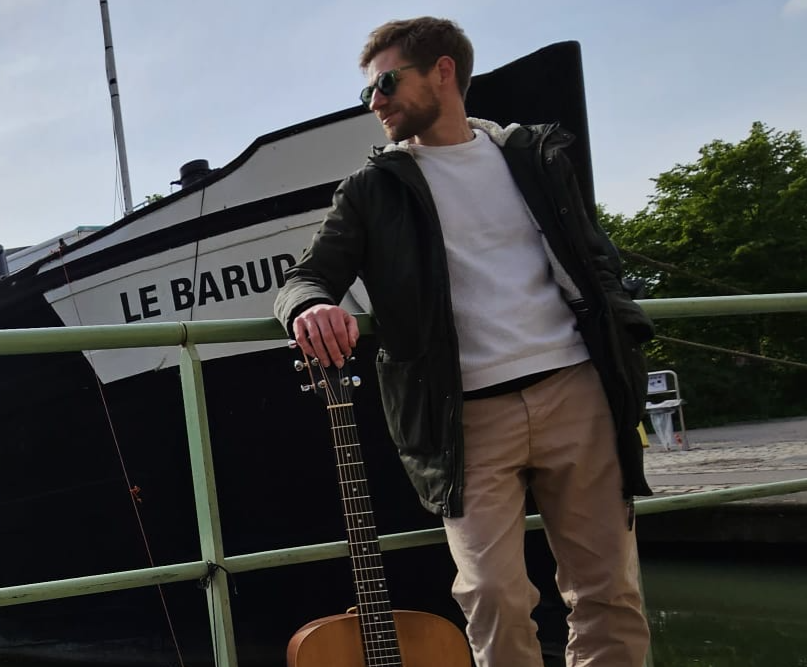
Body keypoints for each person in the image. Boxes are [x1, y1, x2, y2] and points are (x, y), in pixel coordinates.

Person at [272, 16, 655, 667]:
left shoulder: (535, 157)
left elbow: (596, 260)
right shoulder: (373, 190)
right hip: (465, 419)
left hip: (577, 391)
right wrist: (309, 306)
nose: (375, 102)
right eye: (367, 91)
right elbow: (305, 277)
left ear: (443, 71)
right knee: (494, 596)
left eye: (386, 82)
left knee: (608, 594)